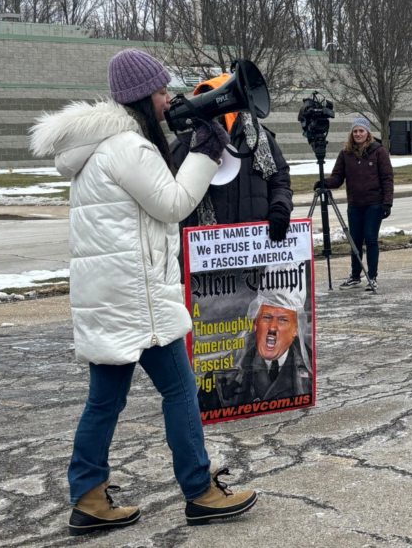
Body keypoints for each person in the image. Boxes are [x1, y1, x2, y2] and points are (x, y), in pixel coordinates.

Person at [29, 49, 258, 535]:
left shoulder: (97, 148)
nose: (165, 99)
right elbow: (173, 204)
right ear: (140, 96)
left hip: (111, 298)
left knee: (105, 402)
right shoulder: (128, 148)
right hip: (139, 302)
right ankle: (200, 490)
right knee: (180, 390)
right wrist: (205, 150)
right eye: (159, 90)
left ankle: (88, 496)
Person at [170, 74, 293, 243]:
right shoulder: (185, 144)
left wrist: (280, 208)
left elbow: (280, 181)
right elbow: (172, 197)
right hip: (206, 253)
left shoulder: (261, 138)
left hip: (256, 246)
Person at [197, 263, 313, 411]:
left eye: (283, 319)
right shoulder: (219, 377)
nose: (272, 327)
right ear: (255, 323)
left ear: (296, 329)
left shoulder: (310, 371)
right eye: (266, 317)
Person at [315, 117, 395, 292]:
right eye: (355, 131)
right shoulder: (346, 154)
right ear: (352, 134)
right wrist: (325, 183)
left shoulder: (379, 151)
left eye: (361, 131)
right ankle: (355, 275)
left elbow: (387, 178)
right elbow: (338, 177)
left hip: (374, 203)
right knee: (355, 240)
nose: (358, 134)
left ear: (368, 133)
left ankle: (372, 276)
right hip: (355, 204)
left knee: (370, 239)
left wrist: (387, 202)